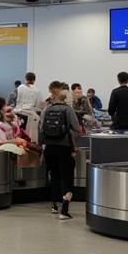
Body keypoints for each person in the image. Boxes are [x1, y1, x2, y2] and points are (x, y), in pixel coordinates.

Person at [40, 80, 81, 221]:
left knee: (54, 175)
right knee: (66, 177)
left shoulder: (46, 109)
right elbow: (77, 128)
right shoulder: (68, 110)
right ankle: (64, 210)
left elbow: (41, 129)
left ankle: (54, 205)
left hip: (49, 148)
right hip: (64, 148)